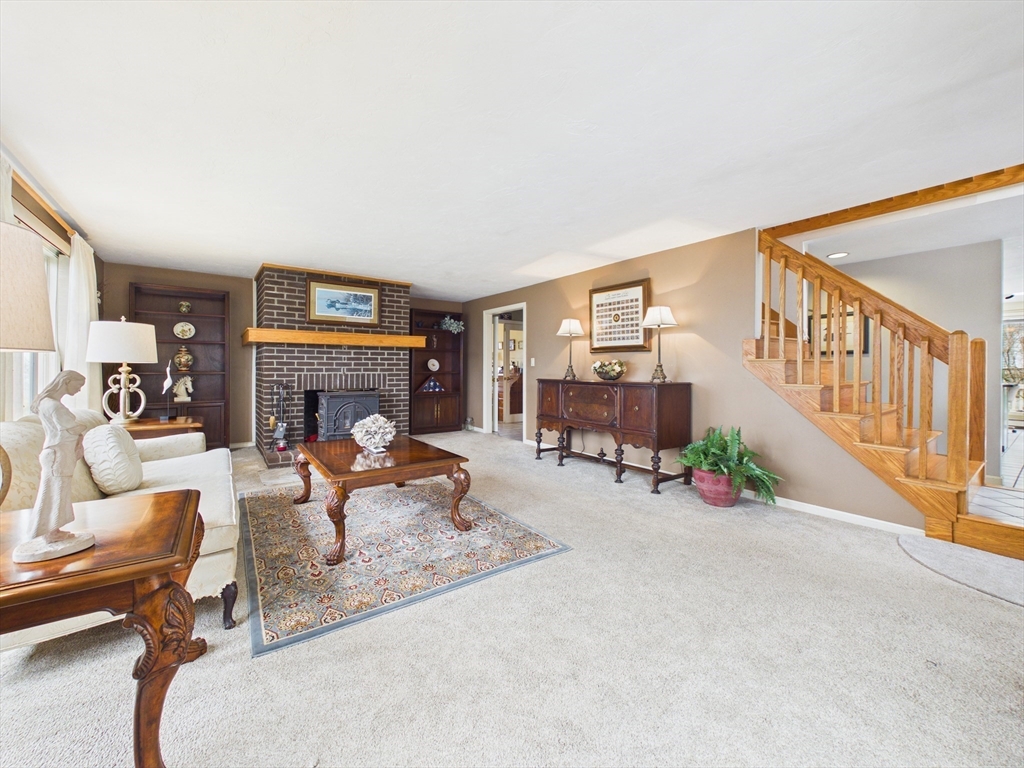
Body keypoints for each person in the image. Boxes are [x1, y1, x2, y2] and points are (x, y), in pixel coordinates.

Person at [12, 370, 95, 562]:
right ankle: (48, 531)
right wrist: (81, 432)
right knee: (55, 492)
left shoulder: (45, 403)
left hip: (56, 451)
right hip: (58, 452)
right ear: (66, 382)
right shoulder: (54, 406)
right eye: (78, 385)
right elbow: (71, 427)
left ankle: (52, 530)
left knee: (55, 492)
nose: (80, 389)